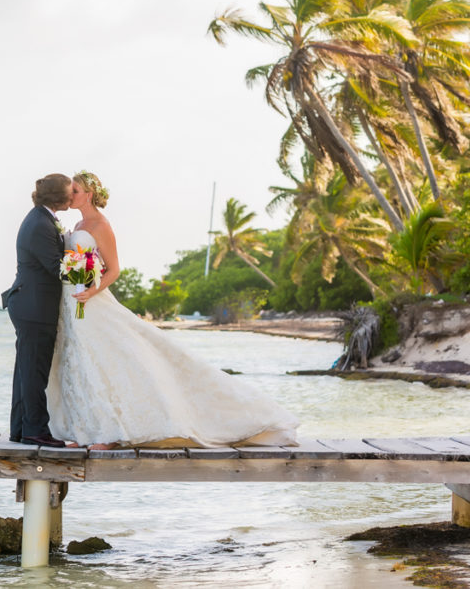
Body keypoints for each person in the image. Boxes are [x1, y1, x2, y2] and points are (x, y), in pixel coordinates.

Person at [46, 171, 299, 449]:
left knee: (107, 362)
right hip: (72, 305)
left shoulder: (100, 224)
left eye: (76, 191)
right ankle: (88, 432)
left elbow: (114, 269)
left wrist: (92, 290)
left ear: (89, 194)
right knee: (81, 365)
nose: (70, 195)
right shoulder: (79, 223)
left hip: (92, 304)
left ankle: (111, 435)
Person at [1, 174, 72, 448]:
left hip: (30, 302)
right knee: (34, 372)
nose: (72, 195)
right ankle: (36, 431)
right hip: (34, 305)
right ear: (59, 198)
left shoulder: (41, 218)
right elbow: (56, 268)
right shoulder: (41, 224)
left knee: (26, 370)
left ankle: (20, 429)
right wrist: (88, 271)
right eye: (69, 191)